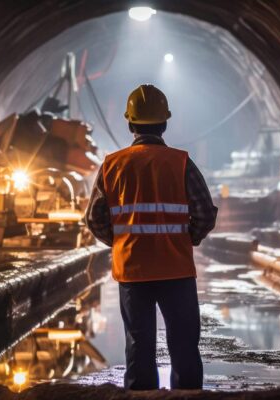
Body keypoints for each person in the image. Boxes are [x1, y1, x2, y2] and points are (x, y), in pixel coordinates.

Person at [85, 84, 218, 390]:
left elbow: (95, 218)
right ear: (165, 122)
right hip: (176, 268)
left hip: (133, 270)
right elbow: (205, 213)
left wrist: (121, 241)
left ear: (130, 123)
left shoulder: (112, 165)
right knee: (184, 345)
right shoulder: (181, 162)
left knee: (139, 347)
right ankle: (186, 396)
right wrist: (187, 239)